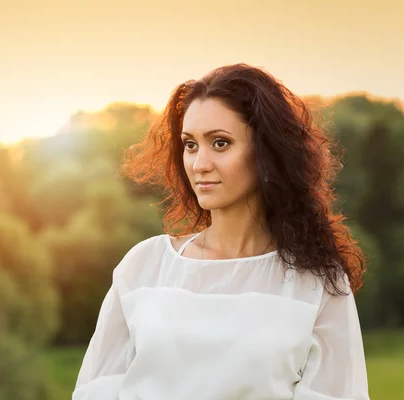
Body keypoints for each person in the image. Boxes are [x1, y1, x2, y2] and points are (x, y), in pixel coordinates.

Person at [71, 63, 370, 400]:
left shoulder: (315, 282)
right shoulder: (145, 265)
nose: (199, 164)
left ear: (266, 153)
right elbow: (96, 390)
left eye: (220, 143)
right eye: (190, 144)